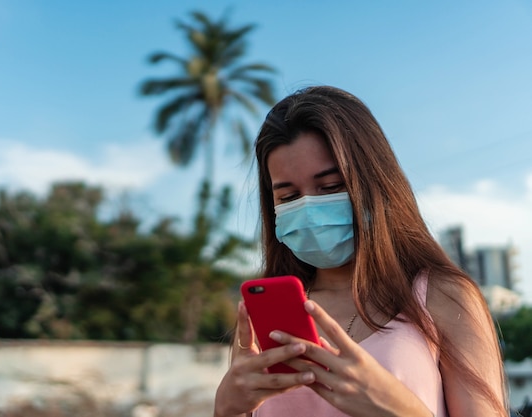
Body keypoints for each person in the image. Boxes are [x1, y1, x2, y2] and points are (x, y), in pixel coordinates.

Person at [213, 86, 508, 417]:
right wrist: (226, 408)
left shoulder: (443, 296)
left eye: (331, 187)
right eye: (289, 196)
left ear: (375, 184)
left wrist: (398, 409)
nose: (309, 208)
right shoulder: (265, 318)